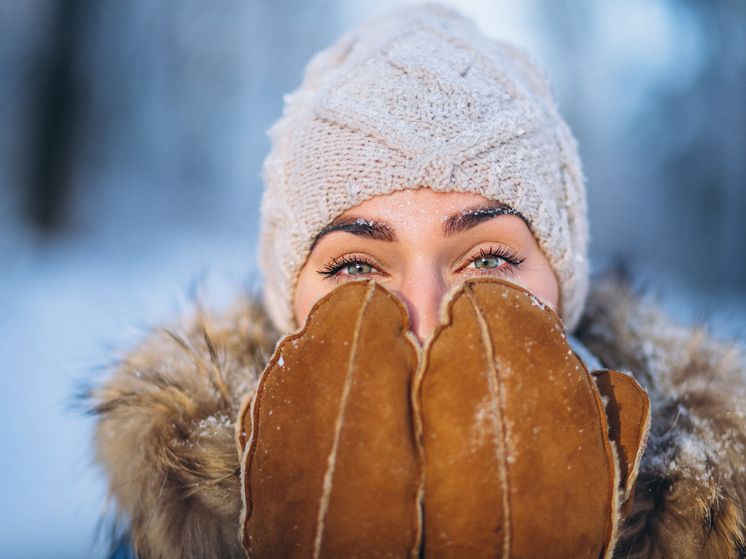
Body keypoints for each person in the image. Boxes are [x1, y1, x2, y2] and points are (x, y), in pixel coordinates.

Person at [89, 5, 746, 559]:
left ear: (561, 287)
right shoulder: (176, 529)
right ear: (288, 300)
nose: (427, 320)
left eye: (487, 260)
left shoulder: (709, 525)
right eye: (355, 267)